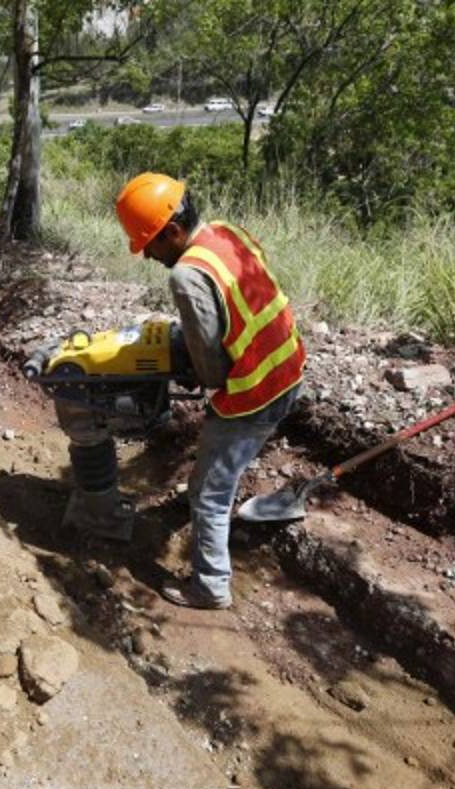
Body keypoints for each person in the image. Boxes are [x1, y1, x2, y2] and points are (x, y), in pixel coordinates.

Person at [115, 173, 305, 609]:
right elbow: (241, 300)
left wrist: (192, 376)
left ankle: (210, 586)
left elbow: (211, 367)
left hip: (255, 391)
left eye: (149, 244)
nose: (146, 255)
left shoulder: (186, 276)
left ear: (175, 232)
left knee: (209, 492)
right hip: (288, 364)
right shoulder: (225, 232)